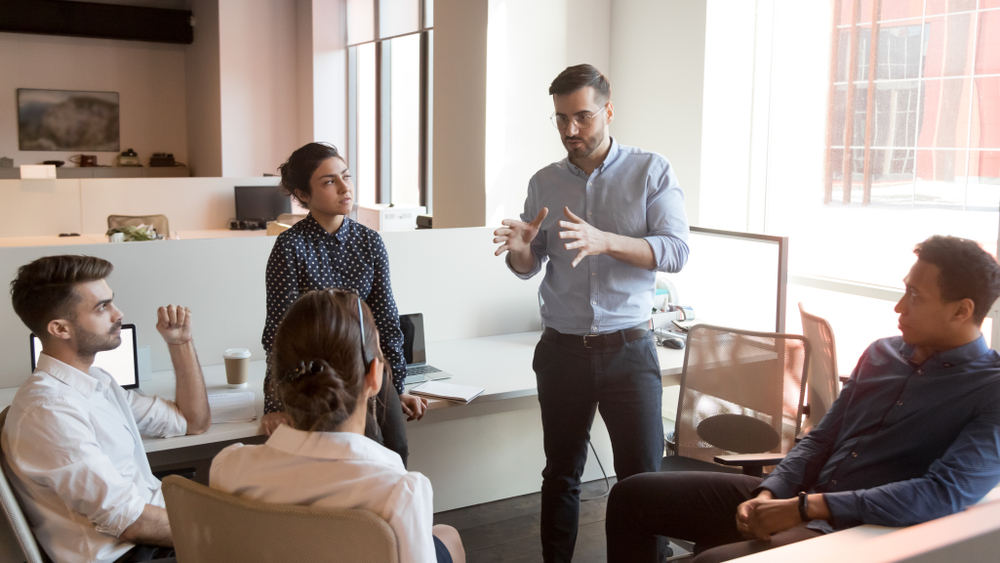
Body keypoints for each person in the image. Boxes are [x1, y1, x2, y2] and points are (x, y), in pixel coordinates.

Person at [605, 235, 1000, 563]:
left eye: (914, 295)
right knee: (631, 495)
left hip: (854, 528)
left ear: (962, 311)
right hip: (796, 498)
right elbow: (821, 438)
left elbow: (942, 493)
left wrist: (806, 508)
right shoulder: (883, 353)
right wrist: (770, 492)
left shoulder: (990, 391)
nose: (898, 307)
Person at [493, 63, 690, 562]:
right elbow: (529, 266)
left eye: (581, 117)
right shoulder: (543, 182)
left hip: (629, 350)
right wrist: (520, 249)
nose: (570, 131)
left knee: (641, 479)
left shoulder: (651, 170)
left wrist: (606, 242)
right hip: (562, 351)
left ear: (608, 110)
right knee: (560, 474)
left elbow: (674, 251)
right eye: (560, 119)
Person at [211, 289, 465, 563]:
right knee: (447, 535)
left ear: (277, 381)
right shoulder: (400, 491)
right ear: (374, 376)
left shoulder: (228, 467)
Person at [2, 255, 211, 563]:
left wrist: (181, 343)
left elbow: (191, 422)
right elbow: (131, 523)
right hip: (132, 553)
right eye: (102, 307)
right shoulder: (49, 411)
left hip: (158, 534)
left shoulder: (96, 382)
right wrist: (217, 529)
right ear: (60, 328)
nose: (118, 314)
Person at [260, 142, 426, 465]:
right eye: (329, 182)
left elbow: (387, 323)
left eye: (346, 177)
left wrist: (399, 386)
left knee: (396, 449)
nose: (344, 188)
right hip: (317, 375)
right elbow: (279, 334)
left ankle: (393, 513)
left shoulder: (370, 241)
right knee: (361, 448)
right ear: (303, 195)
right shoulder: (289, 247)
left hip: (368, 365)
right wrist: (275, 405)